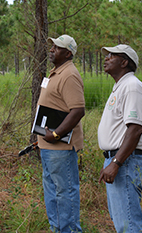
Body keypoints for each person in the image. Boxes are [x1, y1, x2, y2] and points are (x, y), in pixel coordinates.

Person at [98, 44, 142, 233]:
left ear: (124, 62)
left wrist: (116, 163)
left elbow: (135, 129)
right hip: (118, 160)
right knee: (121, 220)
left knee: (128, 224)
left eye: (112, 55)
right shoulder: (121, 86)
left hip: (126, 162)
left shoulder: (132, 87)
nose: (107, 58)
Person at [37, 35, 86, 233]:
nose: (51, 50)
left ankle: (70, 230)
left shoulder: (69, 75)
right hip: (48, 147)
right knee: (52, 191)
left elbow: (78, 111)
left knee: (64, 192)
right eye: (52, 47)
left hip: (60, 148)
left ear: (68, 53)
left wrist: (56, 134)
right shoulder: (57, 73)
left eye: (57, 48)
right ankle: (57, 229)